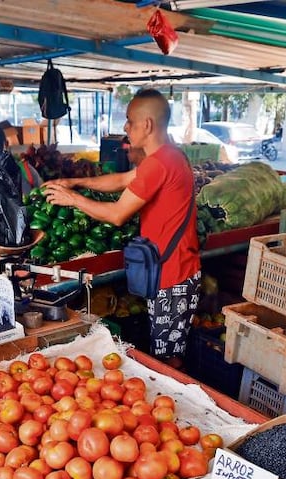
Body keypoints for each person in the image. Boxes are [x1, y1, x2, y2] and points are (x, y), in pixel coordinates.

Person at [44, 88, 201, 365]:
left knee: (168, 358)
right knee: (164, 348)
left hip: (173, 275)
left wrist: (73, 199)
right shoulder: (167, 157)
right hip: (170, 270)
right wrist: (75, 182)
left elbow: (117, 214)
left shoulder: (160, 163)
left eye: (129, 120)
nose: (125, 127)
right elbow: (121, 180)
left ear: (147, 124)